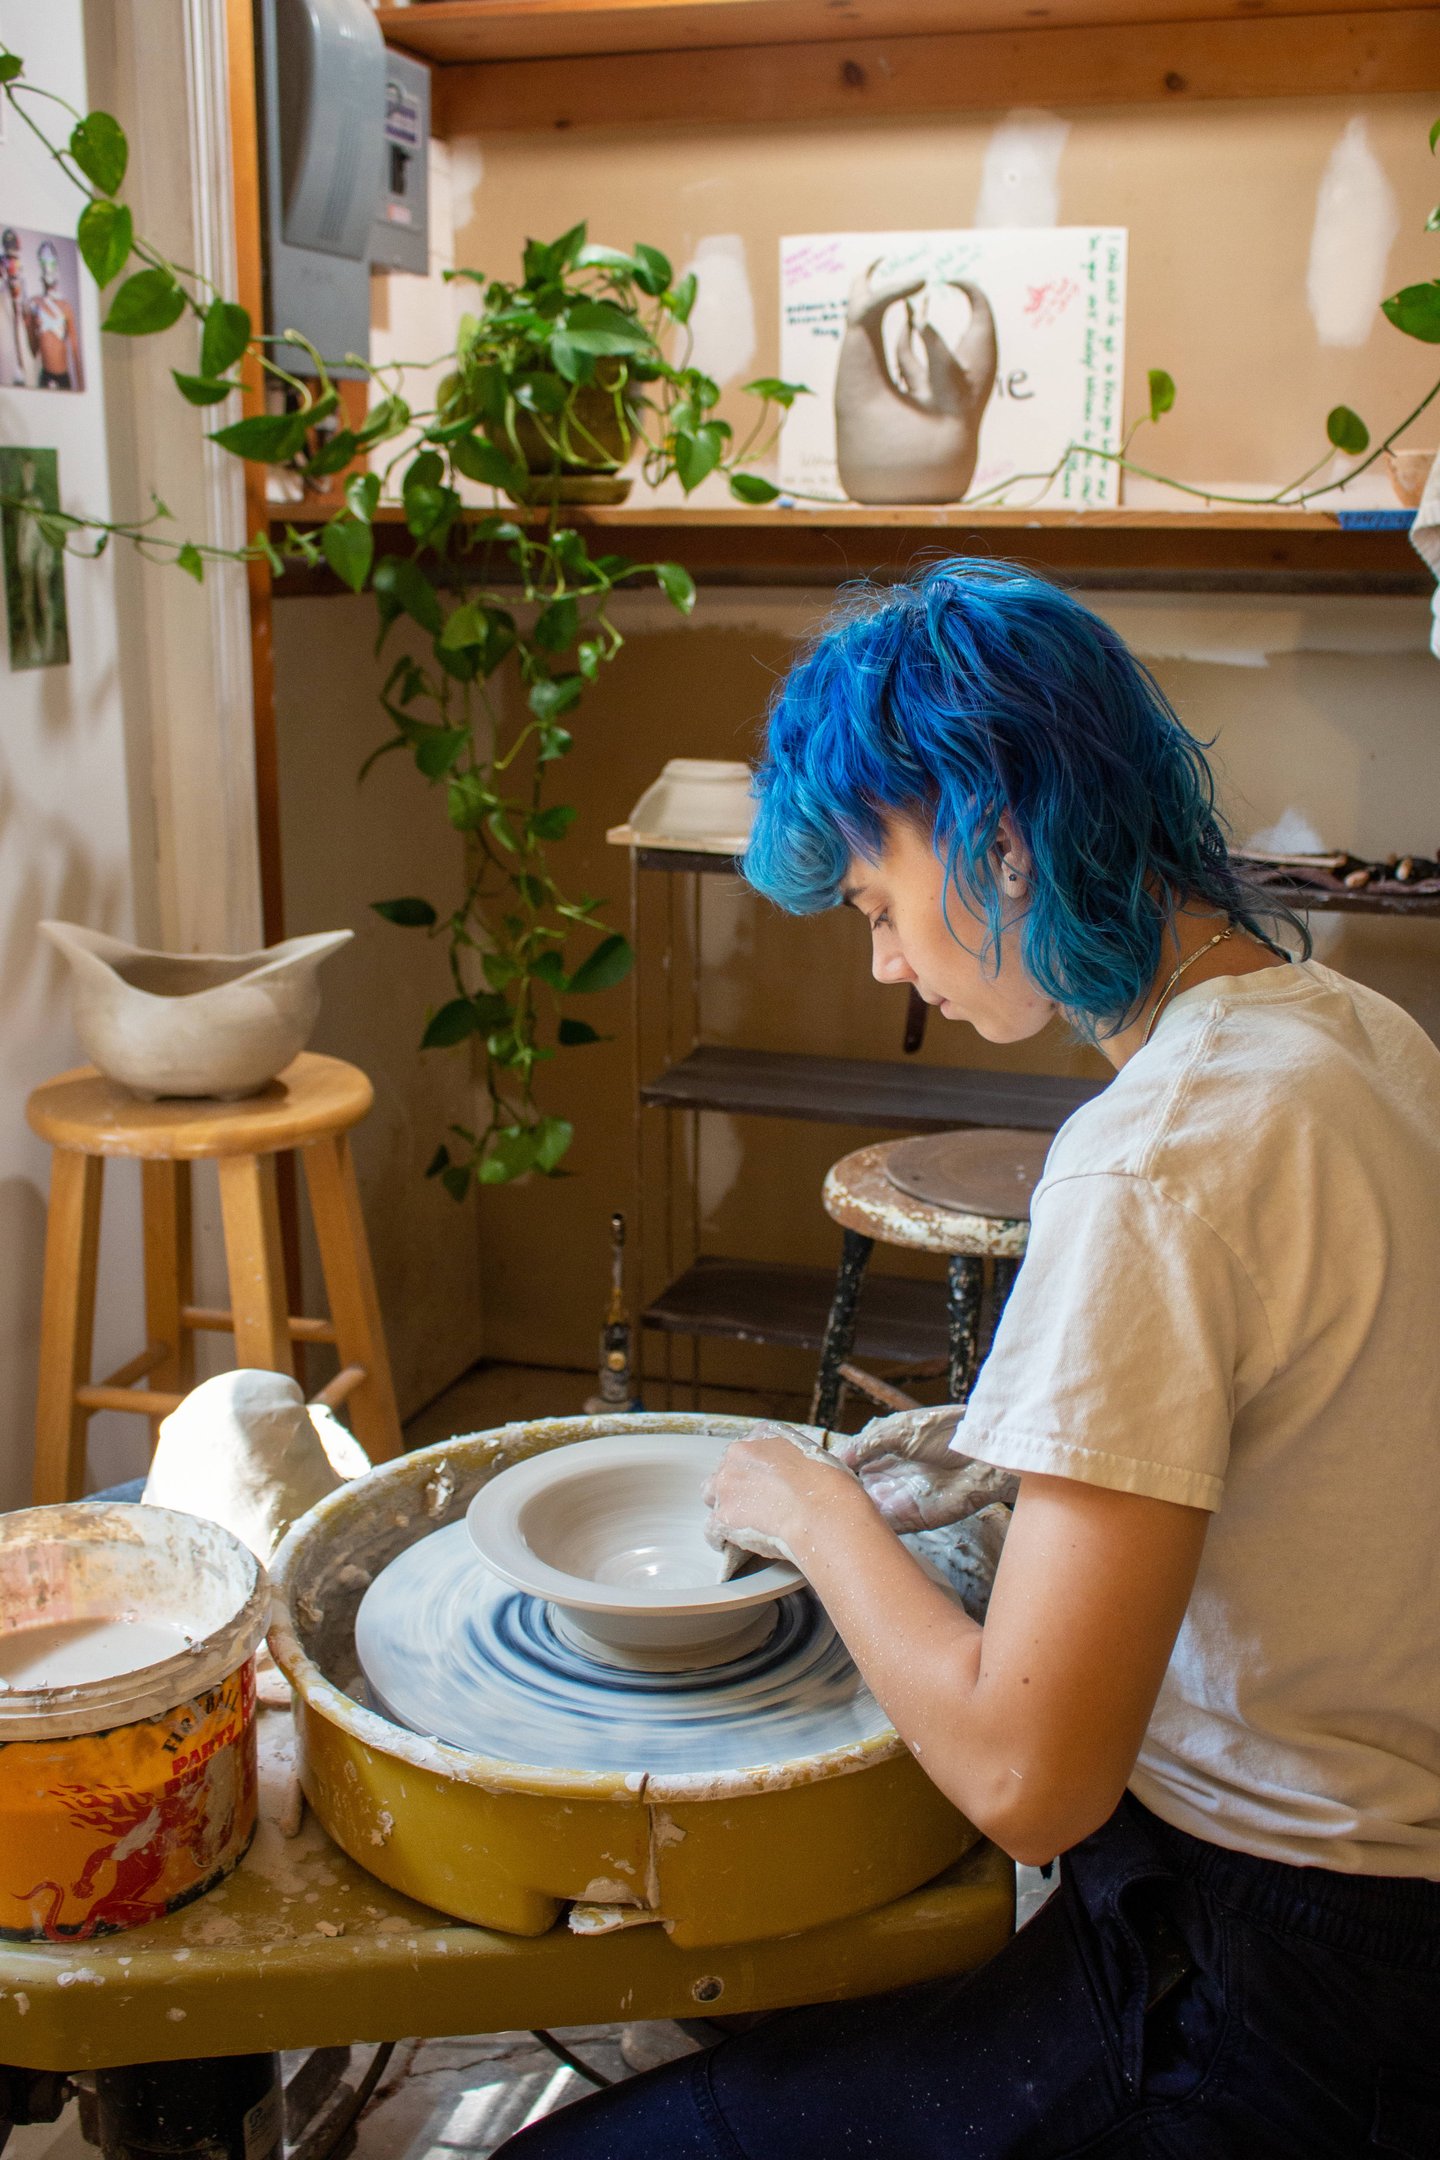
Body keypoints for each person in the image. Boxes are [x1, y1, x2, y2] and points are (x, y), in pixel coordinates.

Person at [500, 562, 1440, 2157]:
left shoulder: (1151, 1158)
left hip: (1281, 1992)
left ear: (1000, 839)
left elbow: (1027, 1780)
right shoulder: (1347, 1032)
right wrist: (992, 1447)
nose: (881, 962)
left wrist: (816, 1513)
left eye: (876, 901)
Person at [26, 239, 83, 391]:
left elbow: (75, 350)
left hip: (63, 377)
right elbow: (34, 350)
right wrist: (30, 326)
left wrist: (82, 386)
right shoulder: (35, 304)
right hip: (45, 377)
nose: (48, 267)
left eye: (51, 262)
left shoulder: (65, 307)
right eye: (44, 262)